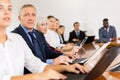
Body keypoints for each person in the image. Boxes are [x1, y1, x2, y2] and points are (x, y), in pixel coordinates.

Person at [0, 0, 87, 80]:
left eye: (9, 9)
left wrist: (66, 68)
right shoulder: (19, 35)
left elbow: (36, 65)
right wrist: (39, 76)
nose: (7, 12)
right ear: (19, 18)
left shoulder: (17, 39)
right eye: (1, 8)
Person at [12, 4, 73, 74]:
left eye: (33, 15)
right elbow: (25, 65)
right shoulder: (14, 36)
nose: (30, 18)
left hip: (45, 70)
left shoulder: (39, 34)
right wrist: (52, 61)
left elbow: (48, 52)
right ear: (19, 18)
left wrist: (63, 55)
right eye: (26, 15)